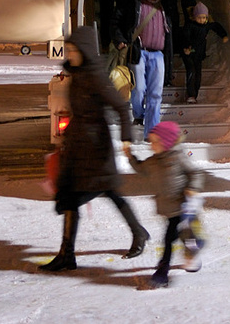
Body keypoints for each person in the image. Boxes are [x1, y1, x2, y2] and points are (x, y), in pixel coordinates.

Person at [39, 26, 150, 272]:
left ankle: (137, 234)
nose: (69, 54)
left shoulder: (96, 76)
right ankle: (67, 253)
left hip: (96, 150)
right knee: (73, 196)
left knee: (103, 193)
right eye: (68, 49)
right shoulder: (77, 74)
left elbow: (121, 108)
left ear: (85, 50)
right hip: (79, 148)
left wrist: (125, 140)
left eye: (72, 49)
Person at [123, 120, 205, 289]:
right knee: (181, 237)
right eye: (150, 142)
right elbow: (141, 169)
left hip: (184, 207)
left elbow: (194, 172)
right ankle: (193, 250)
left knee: (170, 240)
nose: (151, 146)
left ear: (166, 143)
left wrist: (192, 188)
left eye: (154, 142)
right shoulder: (153, 161)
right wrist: (130, 156)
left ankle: (162, 274)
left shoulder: (177, 157)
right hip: (169, 210)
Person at [111, 0, 171, 139]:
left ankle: (151, 133)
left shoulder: (165, 4)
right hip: (138, 52)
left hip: (158, 54)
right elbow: (115, 21)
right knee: (138, 88)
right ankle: (138, 114)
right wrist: (120, 40)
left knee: (155, 94)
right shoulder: (131, 0)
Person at [159, 0, 195, 85]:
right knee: (166, 48)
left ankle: (168, 77)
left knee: (173, 46)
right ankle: (165, 78)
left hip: (176, 16)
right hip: (163, 15)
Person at [181, 2, 228, 103]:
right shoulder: (190, 26)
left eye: (204, 18)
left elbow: (216, 26)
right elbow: (185, 36)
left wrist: (224, 35)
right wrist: (186, 47)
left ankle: (195, 94)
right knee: (191, 72)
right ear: (194, 17)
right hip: (188, 54)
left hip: (198, 54)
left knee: (198, 75)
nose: (202, 20)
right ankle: (191, 94)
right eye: (199, 17)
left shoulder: (206, 26)